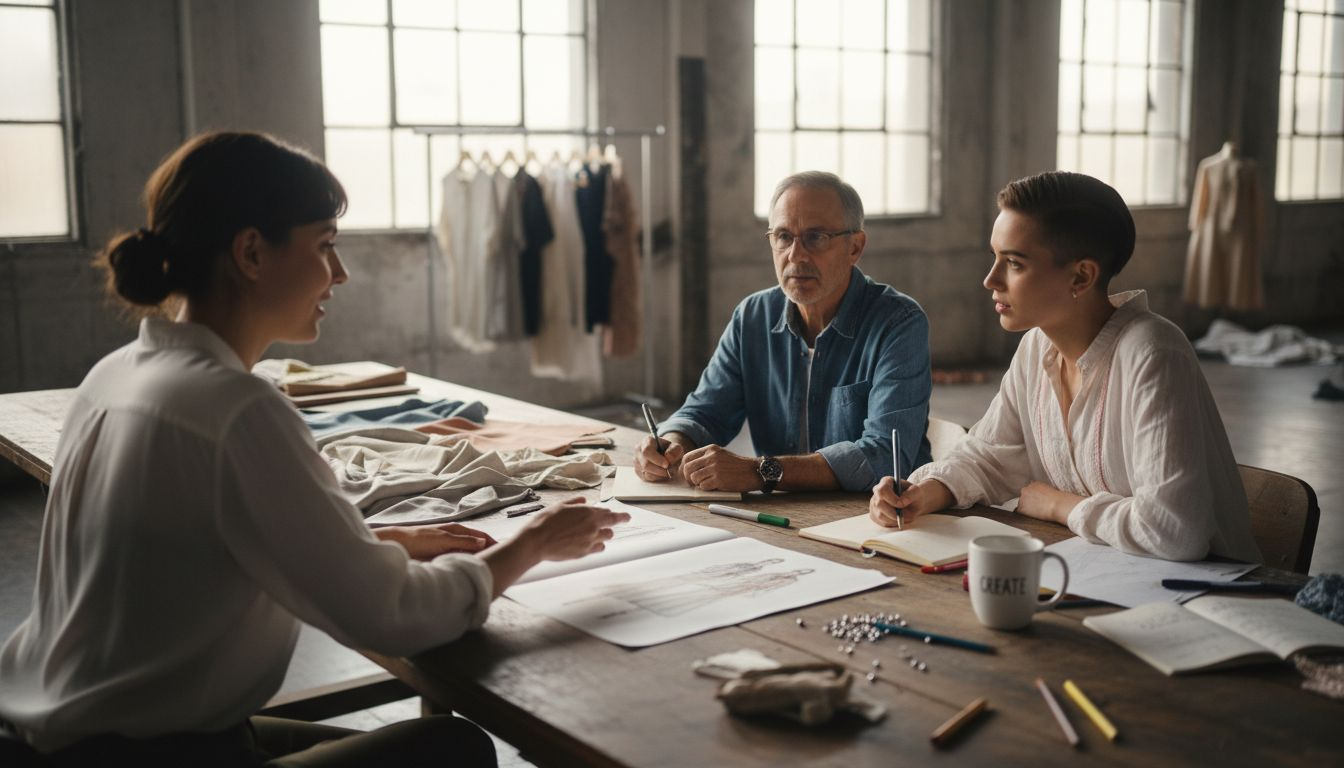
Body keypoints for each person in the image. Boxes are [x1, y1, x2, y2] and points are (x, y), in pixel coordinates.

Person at [0, 131, 628, 766]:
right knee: (451, 747)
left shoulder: (114, 374)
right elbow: (393, 616)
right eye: (325, 246)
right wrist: (533, 543)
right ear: (250, 252)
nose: (340, 274)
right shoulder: (237, 409)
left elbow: (197, 553)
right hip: (146, 754)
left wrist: (372, 546)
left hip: (48, 731)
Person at [868, 171, 1260, 563]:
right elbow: (989, 457)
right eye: (994, 257)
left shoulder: (1153, 353)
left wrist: (1060, 506)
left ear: (1081, 276)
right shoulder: (1036, 347)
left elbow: (1175, 530)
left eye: (1015, 264)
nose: (990, 280)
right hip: (1100, 573)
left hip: (1204, 593)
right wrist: (924, 492)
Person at [635, 171, 932, 494]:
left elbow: (885, 457)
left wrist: (760, 471)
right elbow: (706, 412)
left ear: (855, 247)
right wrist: (669, 443)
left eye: (816, 237)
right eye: (783, 237)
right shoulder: (753, 316)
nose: (796, 255)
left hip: (876, 517)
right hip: (779, 513)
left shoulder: (899, 322)